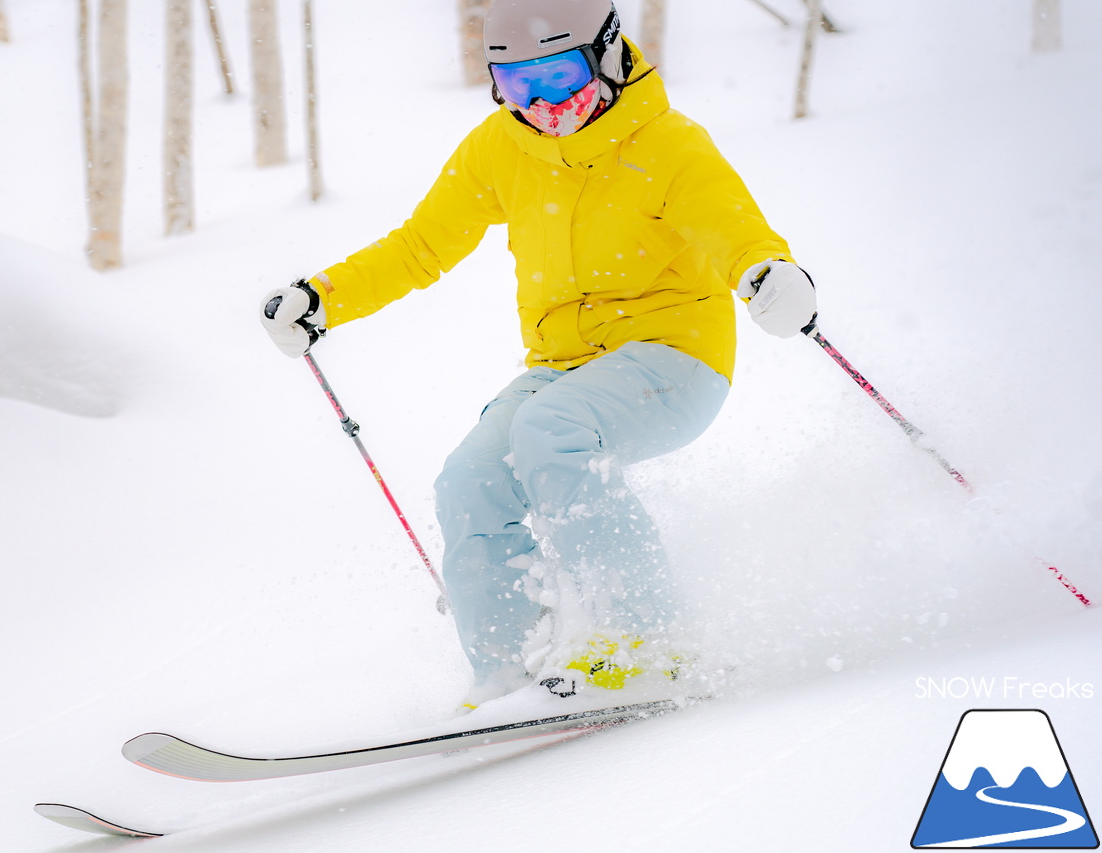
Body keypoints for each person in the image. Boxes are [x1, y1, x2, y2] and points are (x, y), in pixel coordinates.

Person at [261, 0, 816, 708]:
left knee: (548, 431)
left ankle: (650, 639)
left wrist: (770, 275)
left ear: (609, 53)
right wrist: (323, 297)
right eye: (518, 84)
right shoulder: (502, 147)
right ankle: (508, 662)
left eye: (558, 75)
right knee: (468, 479)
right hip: (563, 371)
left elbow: (735, 229)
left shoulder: (668, 145)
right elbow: (420, 246)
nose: (543, 103)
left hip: (676, 359)